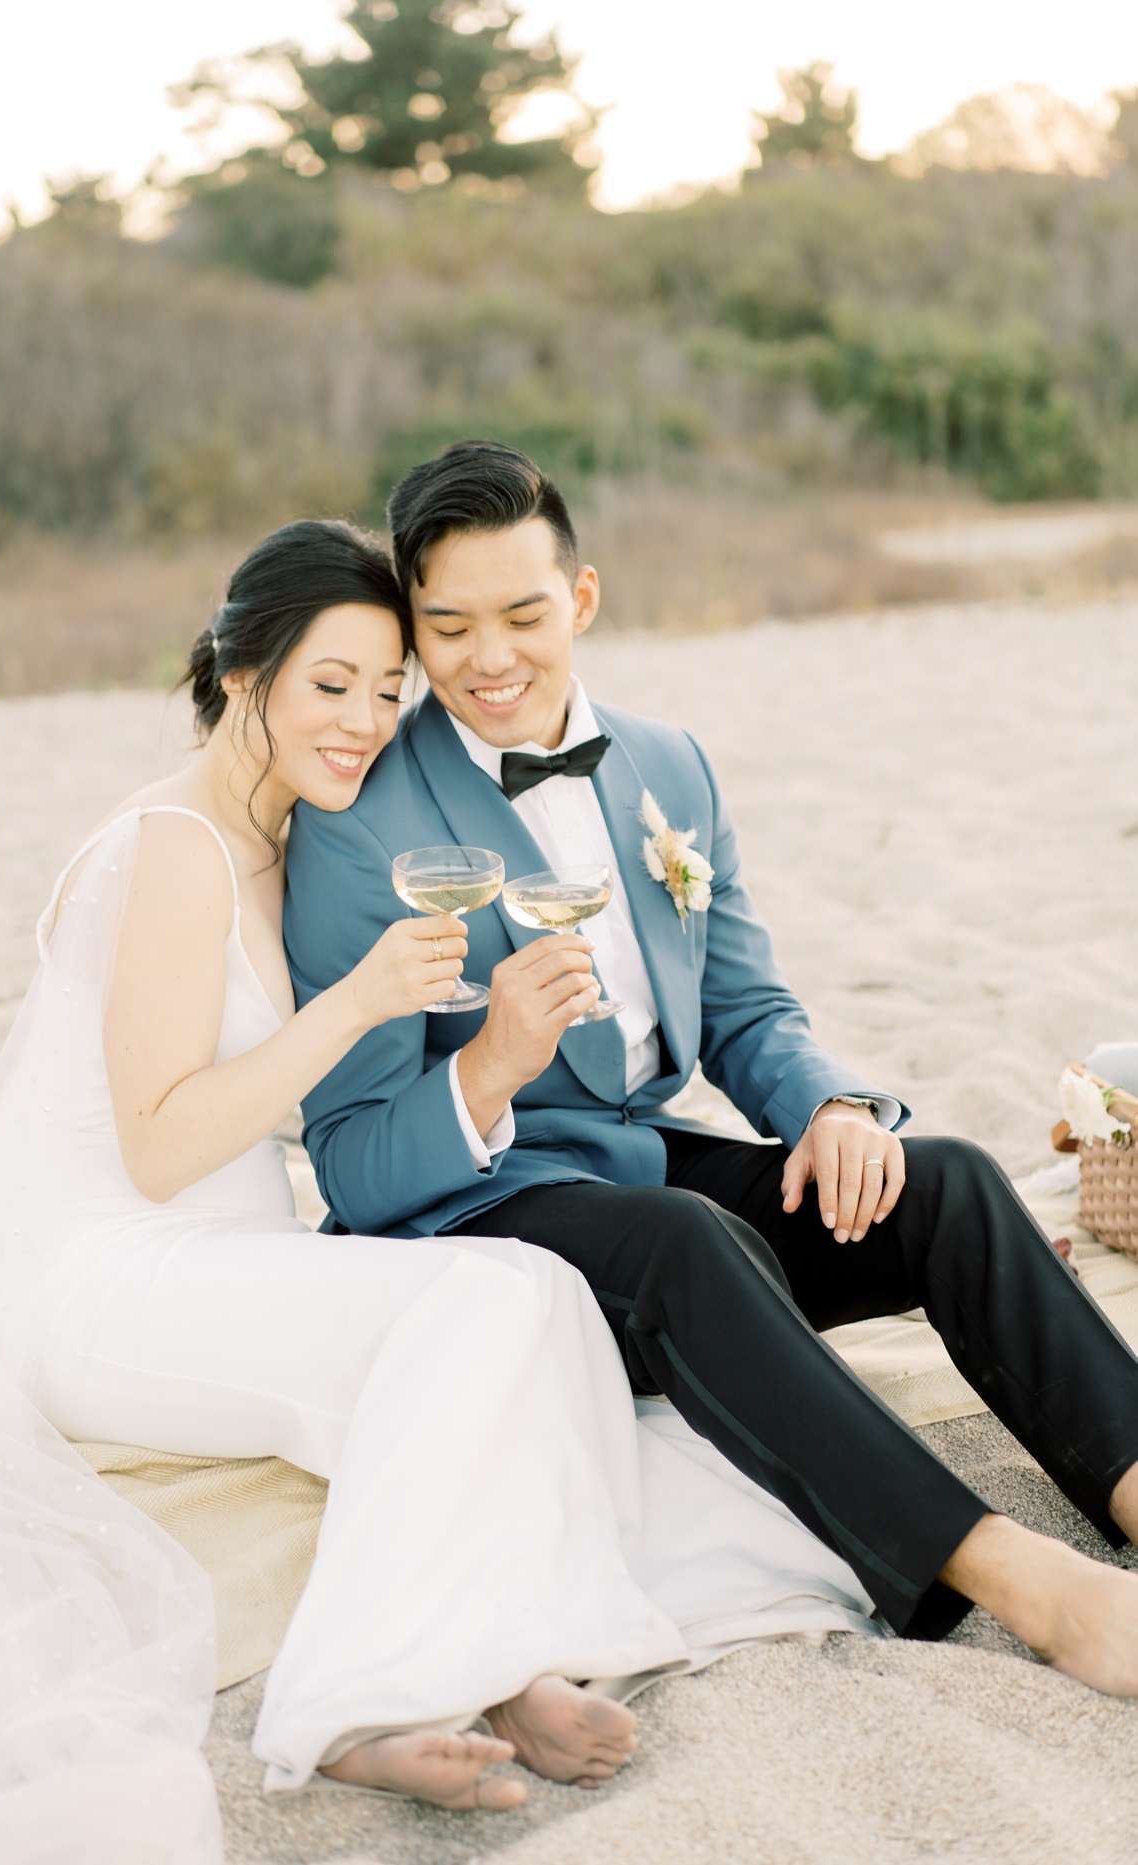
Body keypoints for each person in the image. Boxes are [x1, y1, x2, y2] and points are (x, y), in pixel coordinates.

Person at [0, 519, 883, 1864]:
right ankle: (353, 1702)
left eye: (384, 690)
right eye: (329, 685)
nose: (364, 721)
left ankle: (510, 1645)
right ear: (244, 675)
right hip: (109, 1277)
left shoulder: (290, 837)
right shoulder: (174, 846)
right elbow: (159, 1147)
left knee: (528, 1293)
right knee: (474, 1312)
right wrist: (363, 999)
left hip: (227, 1262)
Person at [287, 440, 1138, 1693]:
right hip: (476, 1224)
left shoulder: (665, 762)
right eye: (450, 625)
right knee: (689, 1235)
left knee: (942, 1179)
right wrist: (490, 1067)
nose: (491, 657)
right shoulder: (360, 825)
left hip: (641, 1174)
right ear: (414, 631)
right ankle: (1017, 1576)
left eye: (522, 613)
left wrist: (833, 1107)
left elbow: (742, 1007)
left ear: (579, 599)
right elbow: (355, 1168)